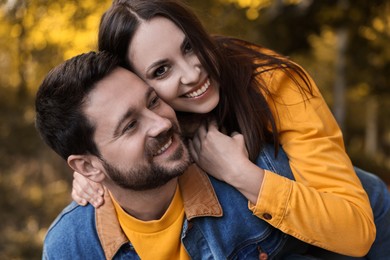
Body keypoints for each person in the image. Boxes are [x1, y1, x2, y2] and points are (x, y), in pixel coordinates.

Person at [71, 0, 390, 258]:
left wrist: (240, 173)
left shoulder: (274, 84)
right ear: (135, 84)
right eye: (162, 70)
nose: (193, 73)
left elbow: (356, 232)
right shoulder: (154, 121)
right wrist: (95, 167)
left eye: (189, 47)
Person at [36, 51, 328, 259]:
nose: (161, 123)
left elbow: (369, 203)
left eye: (153, 101)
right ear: (87, 166)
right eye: (130, 125)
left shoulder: (254, 171)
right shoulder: (70, 248)